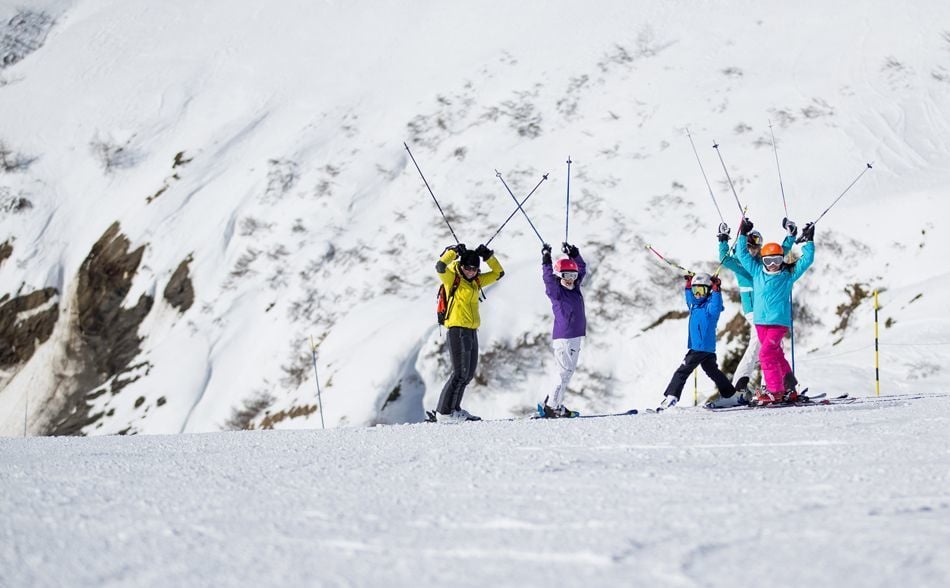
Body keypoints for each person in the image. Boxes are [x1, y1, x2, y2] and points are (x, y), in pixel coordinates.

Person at [715, 219, 797, 403]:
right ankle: (742, 387)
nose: (753, 250)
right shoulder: (741, 263)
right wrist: (723, 239)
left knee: (770, 348)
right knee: (760, 346)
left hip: (768, 311)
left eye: (756, 246)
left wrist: (790, 237)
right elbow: (723, 257)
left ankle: (778, 385)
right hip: (754, 310)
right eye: (749, 246)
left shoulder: (763, 264)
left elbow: (780, 252)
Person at [735, 218, 815, 404]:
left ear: (782, 259)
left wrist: (809, 242)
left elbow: (807, 260)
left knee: (765, 355)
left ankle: (775, 391)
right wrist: (743, 234)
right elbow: (742, 254)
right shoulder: (757, 272)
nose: (773, 264)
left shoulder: (787, 275)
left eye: (777, 260)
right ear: (763, 260)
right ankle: (790, 388)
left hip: (778, 323)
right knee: (776, 354)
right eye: (768, 260)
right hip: (760, 322)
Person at [433, 243, 504, 423]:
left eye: (474, 269)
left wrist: (488, 257)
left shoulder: (476, 281)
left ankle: (454, 409)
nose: (471, 272)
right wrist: (453, 252)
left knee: (468, 374)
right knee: (459, 373)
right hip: (457, 330)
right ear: (461, 266)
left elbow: (499, 273)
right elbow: (440, 266)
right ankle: (444, 412)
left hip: (471, 331)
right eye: (468, 268)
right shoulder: (452, 279)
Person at [657, 272, 737, 411]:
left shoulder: (710, 308)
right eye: (695, 290)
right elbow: (689, 298)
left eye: (701, 290)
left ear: (708, 290)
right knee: (712, 371)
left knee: (682, 371)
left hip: (700, 347)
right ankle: (730, 394)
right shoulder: (694, 305)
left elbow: (717, 304)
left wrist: (716, 290)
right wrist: (688, 287)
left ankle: (671, 397)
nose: (698, 294)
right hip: (705, 348)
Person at [539, 242, 587, 418]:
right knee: (563, 372)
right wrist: (546, 259)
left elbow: (582, 268)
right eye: (566, 275)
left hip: (574, 337)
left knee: (567, 372)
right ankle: (551, 407)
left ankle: (556, 404)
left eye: (573, 275)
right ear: (559, 275)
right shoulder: (557, 292)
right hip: (565, 337)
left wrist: (574, 254)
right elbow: (548, 279)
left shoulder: (575, 288)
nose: (570, 279)